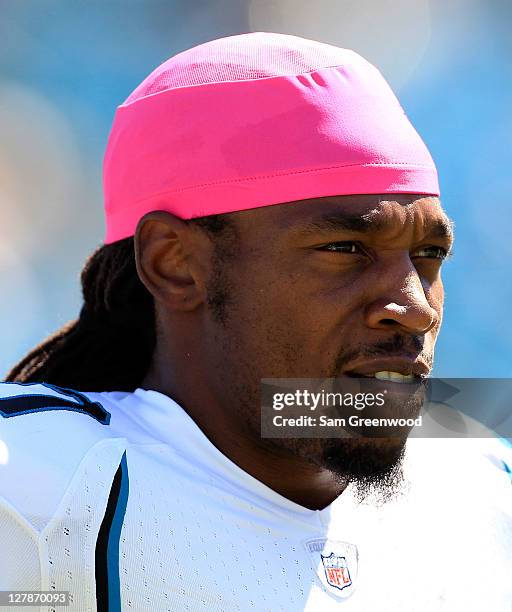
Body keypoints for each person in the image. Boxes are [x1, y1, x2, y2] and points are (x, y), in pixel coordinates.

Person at [0, 32, 510, 611]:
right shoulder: (29, 484)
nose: (415, 305)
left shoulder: (486, 490)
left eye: (428, 255)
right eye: (345, 248)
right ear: (175, 263)